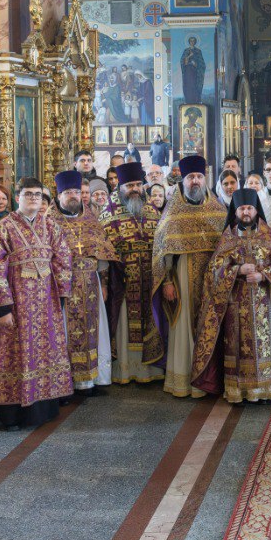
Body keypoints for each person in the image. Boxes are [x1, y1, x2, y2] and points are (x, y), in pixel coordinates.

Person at [191, 189, 271, 402]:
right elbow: (214, 270)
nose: (246, 212)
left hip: (264, 303)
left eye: (250, 208)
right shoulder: (228, 237)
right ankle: (240, 391)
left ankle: (267, 390)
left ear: (257, 210)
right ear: (235, 211)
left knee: (266, 343)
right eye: (242, 209)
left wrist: (264, 275)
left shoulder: (267, 235)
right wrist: (237, 270)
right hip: (234, 302)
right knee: (236, 346)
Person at [0, 177, 73, 430]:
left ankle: (42, 410)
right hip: (16, 305)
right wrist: (2, 308)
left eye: (38, 194)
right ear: (17, 197)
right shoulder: (4, 227)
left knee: (45, 353)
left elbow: (63, 258)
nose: (33, 198)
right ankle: (12, 415)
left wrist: (61, 296)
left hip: (46, 304)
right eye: (28, 194)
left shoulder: (51, 225)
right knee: (13, 355)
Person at [148, 156, 227, 398]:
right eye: (190, 177)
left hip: (212, 277)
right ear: (183, 180)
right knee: (183, 326)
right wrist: (168, 281)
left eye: (199, 177)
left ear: (205, 179)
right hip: (182, 276)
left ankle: (209, 379)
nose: (195, 181)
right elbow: (163, 250)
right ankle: (184, 381)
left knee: (210, 325)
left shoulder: (217, 208)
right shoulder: (173, 210)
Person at [51, 171, 117, 396]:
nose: (73, 196)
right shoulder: (49, 220)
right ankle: (68, 383)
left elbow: (103, 253)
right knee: (66, 334)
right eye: (68, 192)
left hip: (91, 284)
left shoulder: (91, 218)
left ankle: (92, 379)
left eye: (76, 192)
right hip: (63, 289)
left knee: (95, 331)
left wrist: (105, 283)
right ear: (59, 195)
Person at [101, 162, 163, 385]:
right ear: (120, 186)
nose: (135, 189)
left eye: (138, 184)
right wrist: (105, 283)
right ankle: (125, 370)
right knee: (124, 326)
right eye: (130, 185)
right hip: (123, 281)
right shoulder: (107, 213)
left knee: (151, 320)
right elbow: (103, 254)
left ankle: (150, 371)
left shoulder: (152, 211)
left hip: (149, 278)